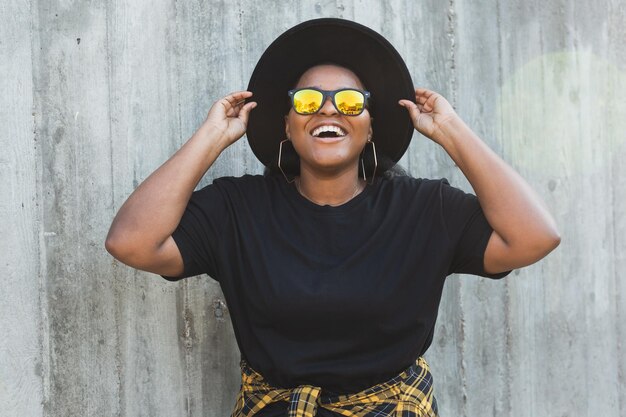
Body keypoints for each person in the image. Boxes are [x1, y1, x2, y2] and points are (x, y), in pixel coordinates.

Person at [105, 18, 560, 417]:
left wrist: (450, 131)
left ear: (370, 127)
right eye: (307, 101)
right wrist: (211, 138)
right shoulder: (237, 209)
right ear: (287, 124)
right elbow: (132, 242)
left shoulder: (424, 209)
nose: (327, 108)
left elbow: (534, 237)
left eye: (348, 102)